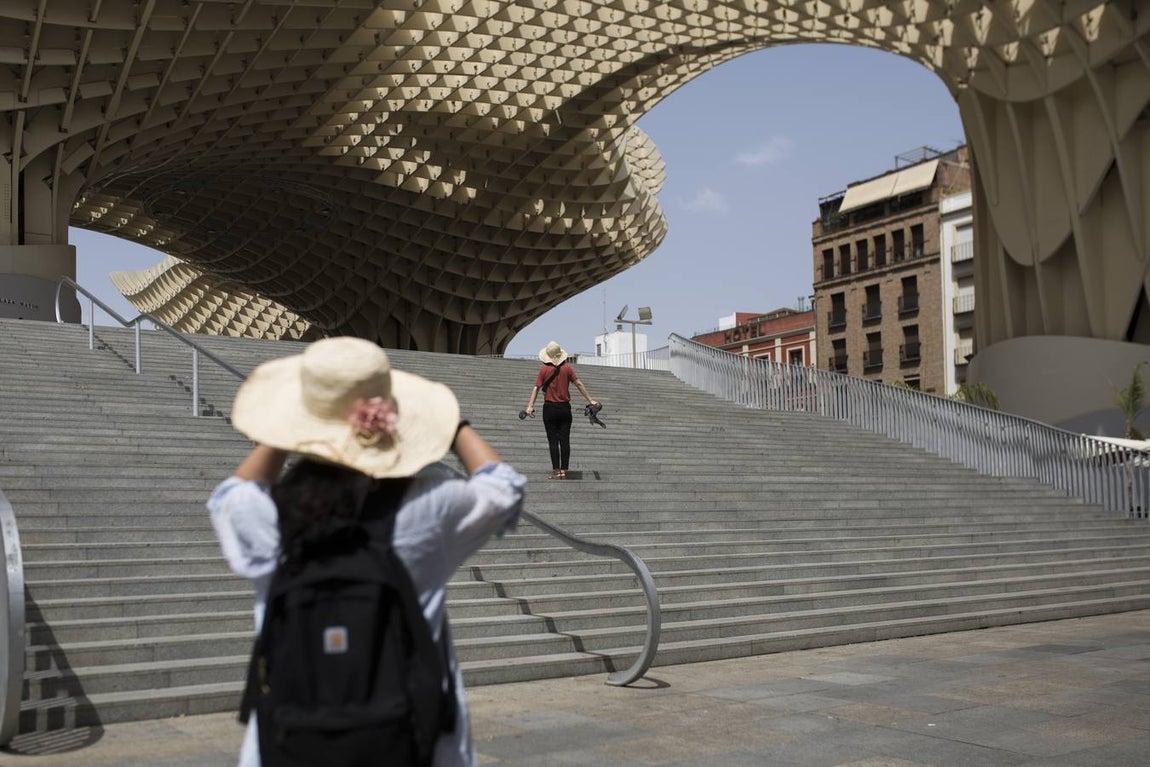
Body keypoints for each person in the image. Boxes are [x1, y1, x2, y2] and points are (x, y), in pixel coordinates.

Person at [207, 336, 526, 767]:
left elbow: (230, 494)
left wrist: (284, 431)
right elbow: (503, 488)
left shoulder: (265, 516)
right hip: (414, 745)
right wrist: (454, 426)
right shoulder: (429, 505)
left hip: (285, 745)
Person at [524, 341, 599, 479]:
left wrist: (530, 406)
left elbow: (536, 388)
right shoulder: (567, 369)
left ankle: (556, 471)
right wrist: (590, 400)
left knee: (553, 441)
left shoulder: (543, 370)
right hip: (565, 408)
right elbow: (579, 384)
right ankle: (564, 470)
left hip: (549, 409)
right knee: (565, 440)